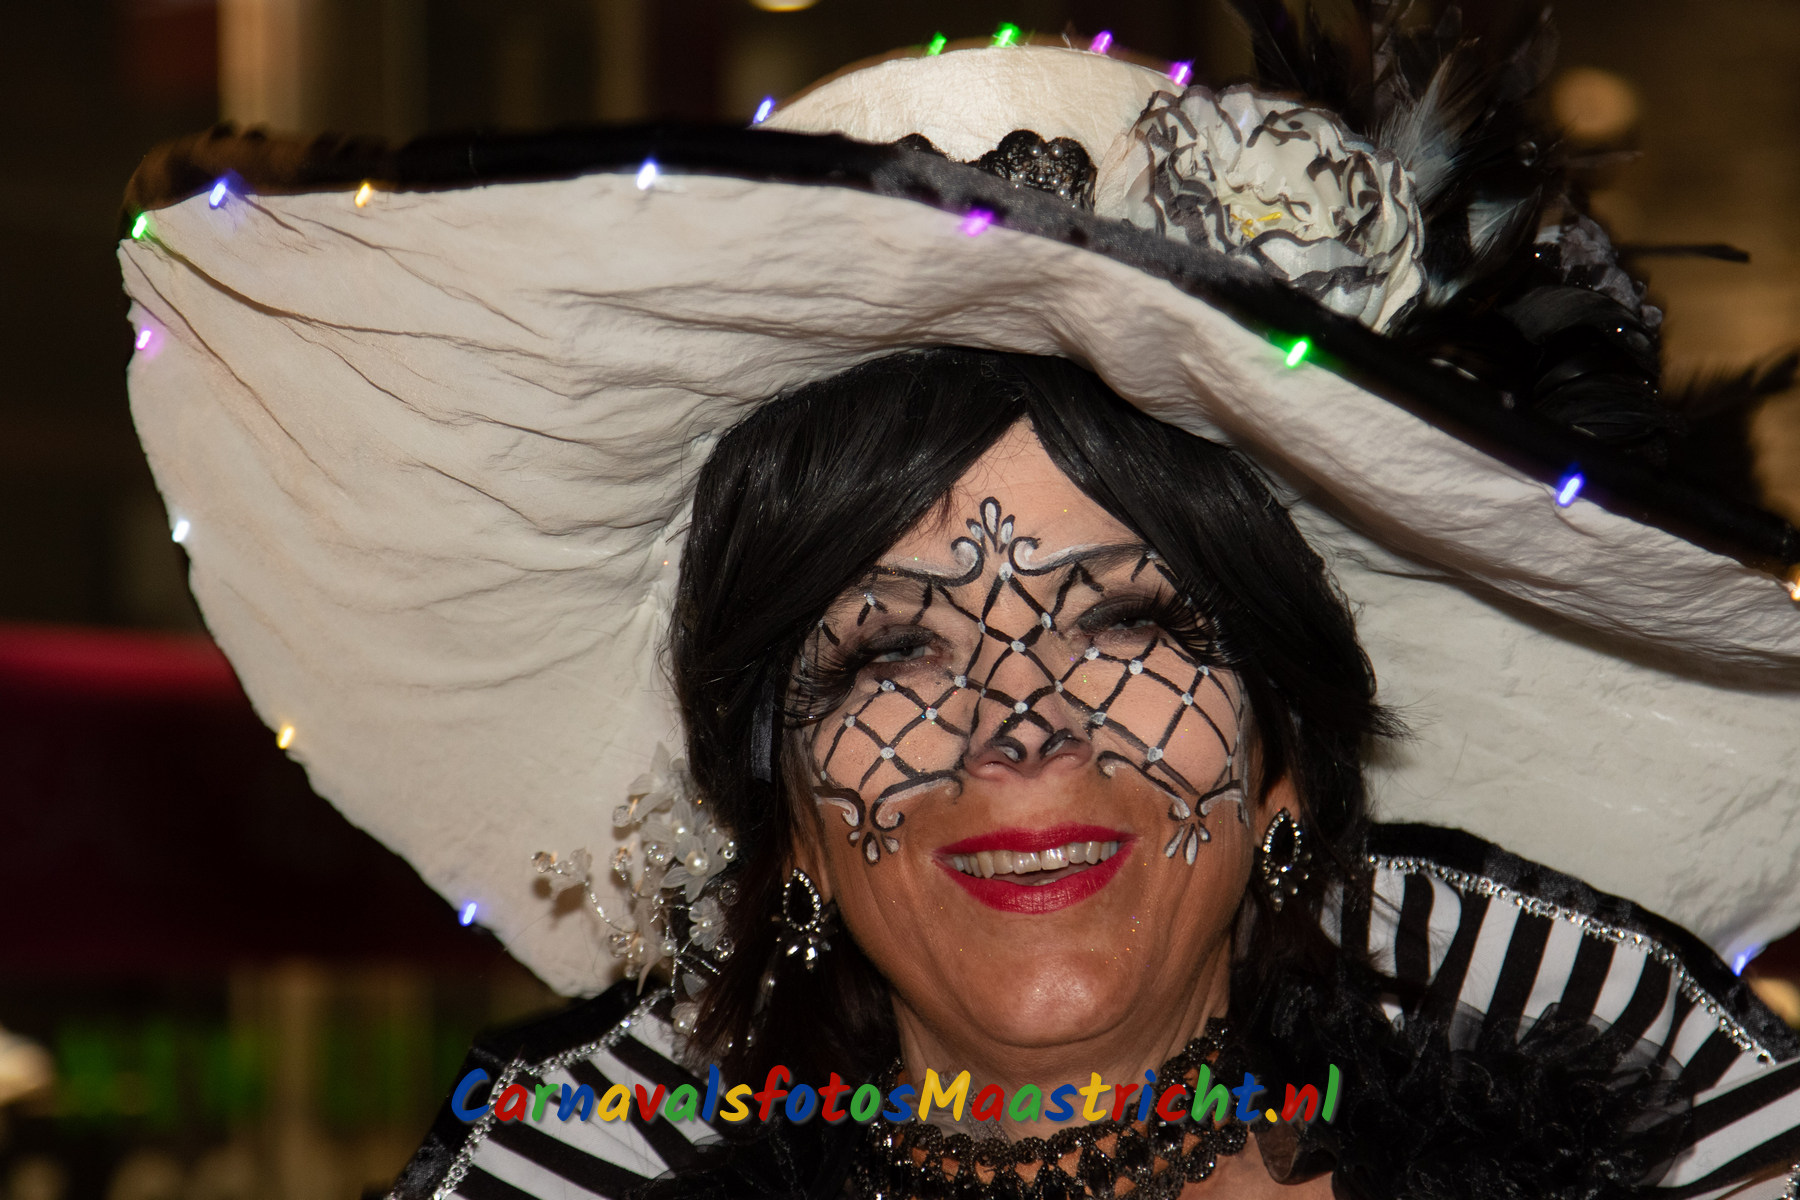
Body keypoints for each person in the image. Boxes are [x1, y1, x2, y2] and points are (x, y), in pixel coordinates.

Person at [117, 6, 1800, 1199]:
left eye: (1127, 623)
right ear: (775, 799)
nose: (1019, 733)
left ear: (1292, 745)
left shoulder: (1658, 1141)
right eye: (888, 648)